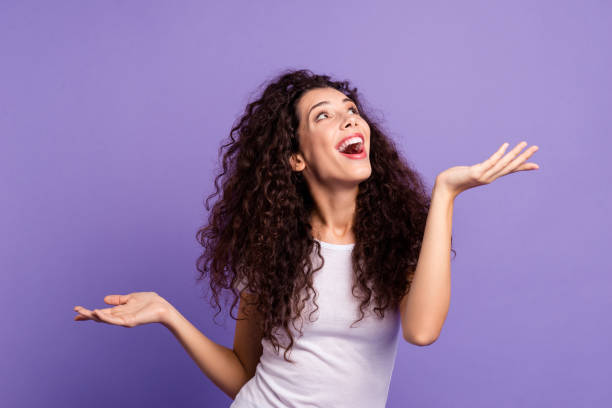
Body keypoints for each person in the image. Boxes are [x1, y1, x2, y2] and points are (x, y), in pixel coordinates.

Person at [73, 69, 540, 407]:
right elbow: (243, 377)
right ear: (296, 158)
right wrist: (168, 314)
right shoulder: (271, 251)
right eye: (325, 116)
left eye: (352, 111)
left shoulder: (394, 240)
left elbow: (422, 331)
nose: (351, 120)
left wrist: (446, 193)